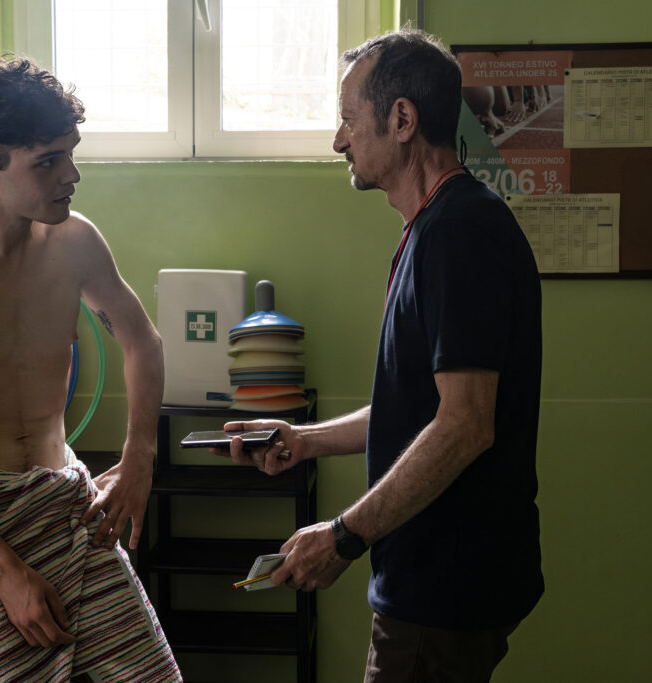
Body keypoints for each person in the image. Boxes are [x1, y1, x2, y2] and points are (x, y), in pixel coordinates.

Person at [218, 29, 543, 682]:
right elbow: (421, 409)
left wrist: (343, 536)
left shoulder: (458, 232)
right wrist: (305, 440)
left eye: (348, 119)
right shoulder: (435, 227)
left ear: (401, 120)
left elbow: (464, 424)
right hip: (434, 579)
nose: (339, 140)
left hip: (443, 587)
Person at [0, 56, 180, 682]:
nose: (71, 175)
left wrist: (139, 457)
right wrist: (6, 573)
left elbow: (142, 341)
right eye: (47, 162)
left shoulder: (76, 243)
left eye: (70, 153)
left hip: (61, 499)